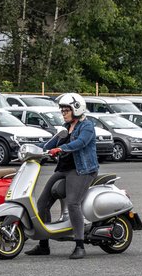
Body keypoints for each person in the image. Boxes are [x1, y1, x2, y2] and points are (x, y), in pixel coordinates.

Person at [24, 92, 98, 260]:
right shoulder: (65, 129)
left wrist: (62, 149)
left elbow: (81, 143)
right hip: (64, 169)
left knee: (73, 203)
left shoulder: (87, 126)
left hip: (82, 170)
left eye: (66, 110)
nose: (63, 113)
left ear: (76, 109)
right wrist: (29, 149)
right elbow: (50, 144)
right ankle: (44, 245)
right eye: (62, 110)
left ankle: (80, 245)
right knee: (42, 204)